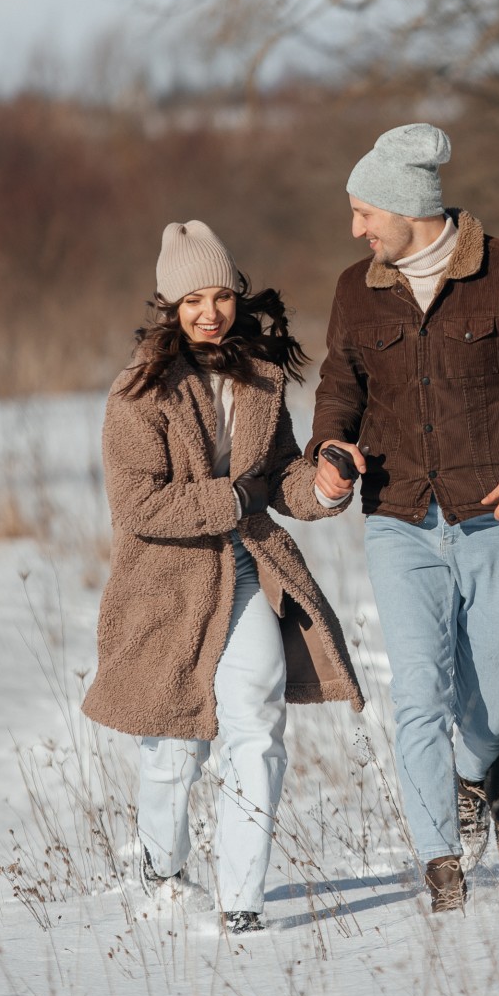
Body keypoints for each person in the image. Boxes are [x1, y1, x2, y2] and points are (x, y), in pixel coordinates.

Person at [311, 124, 499, 912]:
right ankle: (439, 860)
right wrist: (330, 452)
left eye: (364, 211)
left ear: (409, 208)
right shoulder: (355, 288)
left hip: (495, 520)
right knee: (418, 694)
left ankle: (478, 782)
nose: (356, 229)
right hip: (398, 520)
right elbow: (338, 392)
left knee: (490, 711)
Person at [83, 220, 364, 935]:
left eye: (219, 295)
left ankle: (243, 900)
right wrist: (231, 499)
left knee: (258, 723)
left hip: (245, 570)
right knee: (176, 749)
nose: (209, 312)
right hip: (165, 586)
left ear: (236, 294)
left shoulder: (262, 378)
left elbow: (282, 480)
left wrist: (324, 487)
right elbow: (139, 504)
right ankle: (163, 867)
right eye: (191, 300)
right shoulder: (139, 392)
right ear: (169, 308)